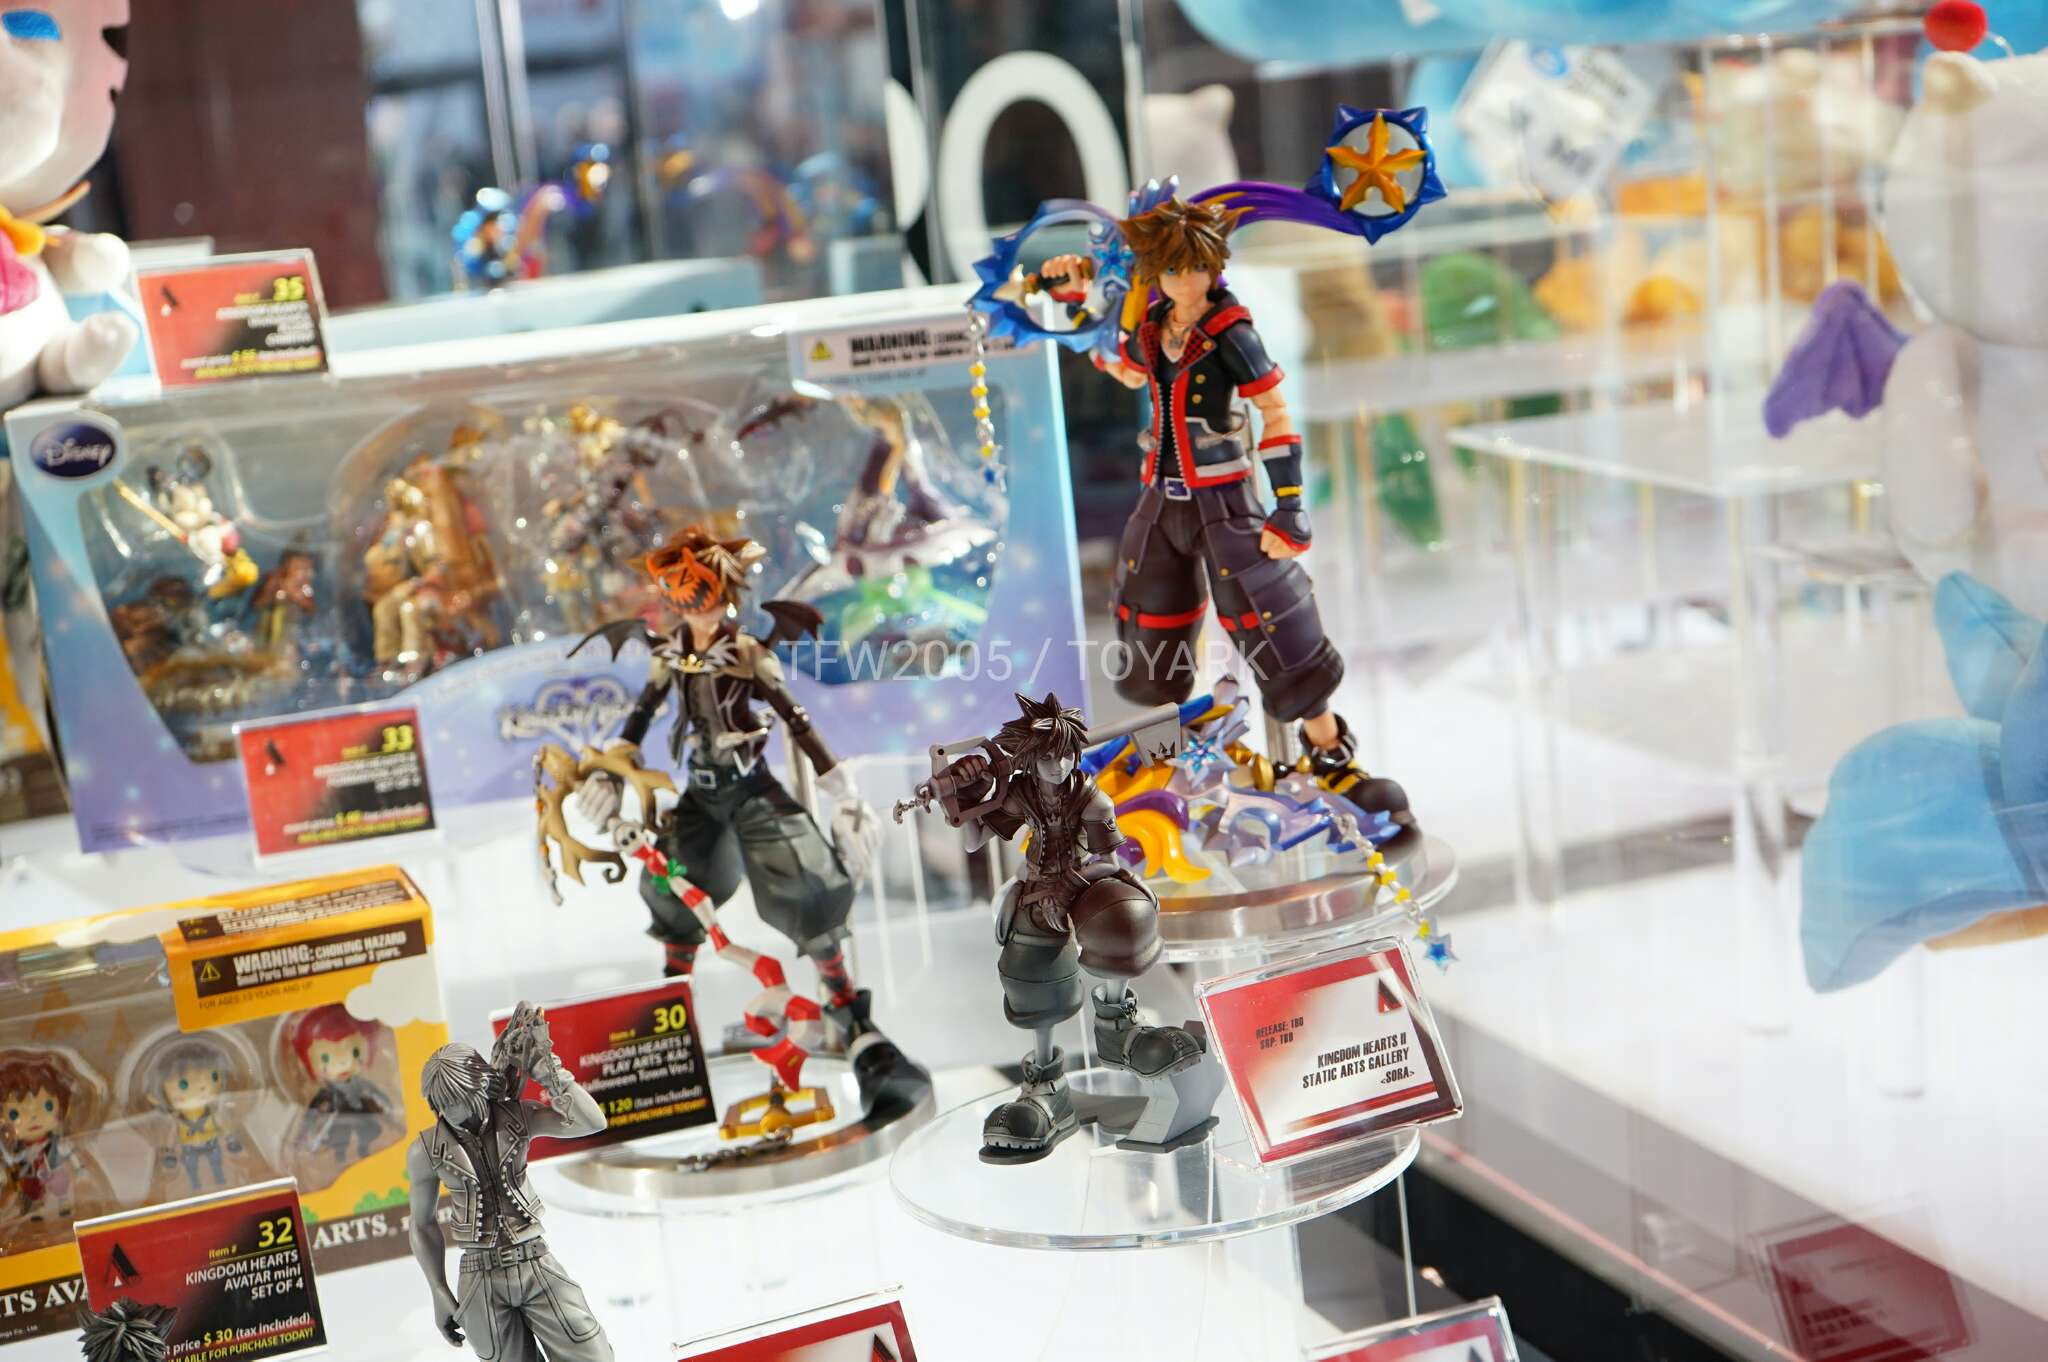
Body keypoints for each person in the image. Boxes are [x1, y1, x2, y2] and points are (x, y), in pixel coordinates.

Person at [1040, 197, 1418, 846]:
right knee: (1149, 625)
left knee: (1272, 615)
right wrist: (1080, 304)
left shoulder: (1231, 332)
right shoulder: (1156, 326)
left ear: (1213, 268)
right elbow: (1124, 369)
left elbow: (1275, 412)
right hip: (1162, 497)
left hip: (1225, 498)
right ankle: (1163, 769)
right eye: (1172, 270)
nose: (1186, 282)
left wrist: (1289, 502)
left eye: (1196, 269)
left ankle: (1330, 755)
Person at [406, 1004, 612, 1361]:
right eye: (442, 1105)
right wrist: (438, 1290)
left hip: (535, 1262)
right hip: (480, 1276)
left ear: (481, 1086)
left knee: (591, 1354)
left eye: (458, 1101)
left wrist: (550, 1072)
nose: (451, 1113)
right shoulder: (425, 1150)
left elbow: (591, 1122)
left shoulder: (518, 1117)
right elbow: (421, 1223)